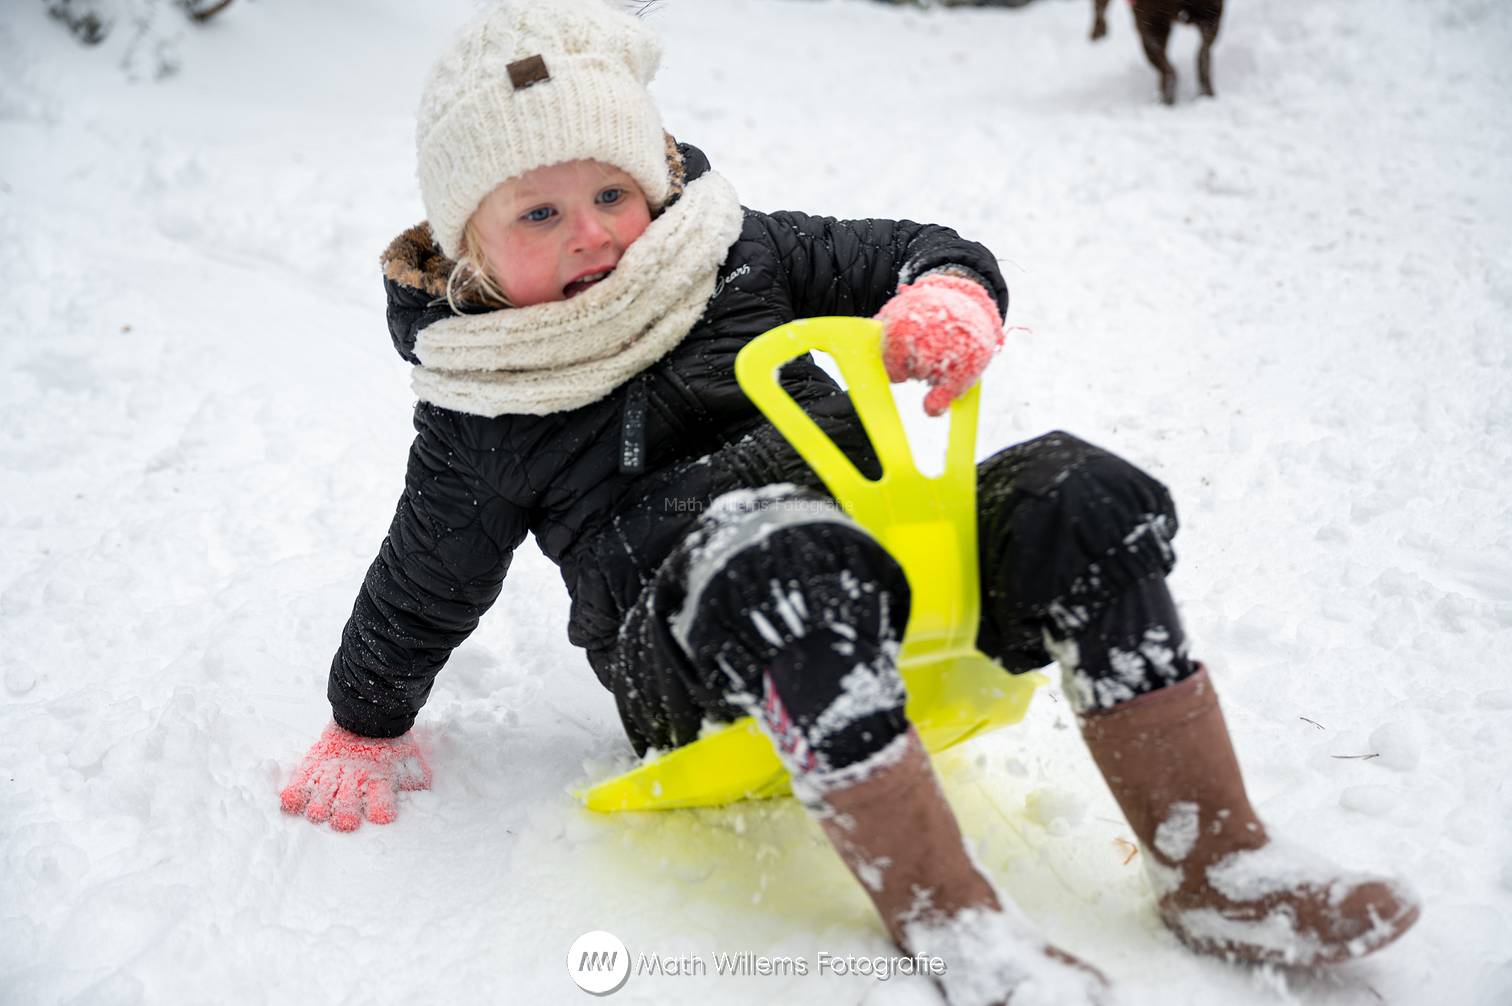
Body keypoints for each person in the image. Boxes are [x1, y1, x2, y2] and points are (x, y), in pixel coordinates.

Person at [277, 1, 1418, 999]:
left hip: (883, 567)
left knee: (1082, 488)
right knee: (771, 547)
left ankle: (1217, 859)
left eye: (612, 191)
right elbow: (426, 574)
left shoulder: (739, 255)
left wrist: (952, 295)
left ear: (658, 175)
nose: (592, 234)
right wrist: (364, 716)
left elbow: (918, 247)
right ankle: (955, 920)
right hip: (695, 658)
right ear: (465, 254)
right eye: (537, 215)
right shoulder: (488, 401)